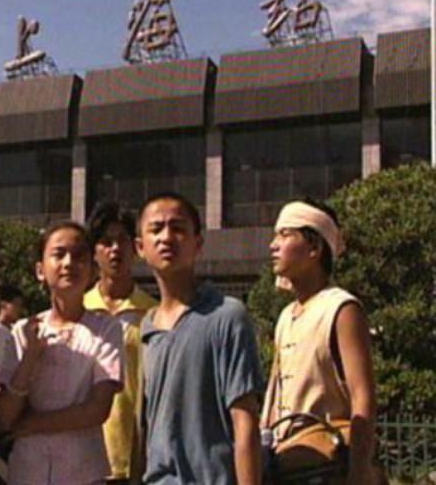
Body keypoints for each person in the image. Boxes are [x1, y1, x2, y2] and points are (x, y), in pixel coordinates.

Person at [135, 192, 263, 485]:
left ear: (198, 243)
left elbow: (245, 423)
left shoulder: (227, 316)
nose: (167, 237)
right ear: (140, 247)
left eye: (178, 228)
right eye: (156, 229)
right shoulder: (147, 328)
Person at [0, 221, 124, 485]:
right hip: (27, 471)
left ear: (92, 269)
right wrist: (30, 358)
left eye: (79, 255)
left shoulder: (106, 329)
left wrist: (31, 425)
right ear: (40, 270)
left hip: (83, 472)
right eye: (59, 254)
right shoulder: (22, 331)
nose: (69, 263)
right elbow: (5, 416)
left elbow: (97, 409)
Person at [261, 199, 377, 484]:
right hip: (285, 463)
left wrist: (358, 474)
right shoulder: (286, 315)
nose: (273, 245)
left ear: (314, 247)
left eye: (285, 235)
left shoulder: (341, 308)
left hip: (328, 466)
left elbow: (363, 396)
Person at [84, 202, 157, 484]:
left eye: (122, 240)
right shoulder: (79, 311)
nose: (115, 249)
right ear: (94, 252)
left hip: (138, 457)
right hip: (85, 455)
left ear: (135, 248)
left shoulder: (152, 314)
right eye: (106, 242)